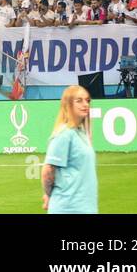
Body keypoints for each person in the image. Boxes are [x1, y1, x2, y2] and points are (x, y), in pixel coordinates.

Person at [42, 85, 98, 214]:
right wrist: (49, 195)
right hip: (68, 208)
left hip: (85, 208)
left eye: (87, 100)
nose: (85, 104)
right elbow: (48, 170)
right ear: (68, 104)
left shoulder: (81, 133)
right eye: (79, 100)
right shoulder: (64, 134)